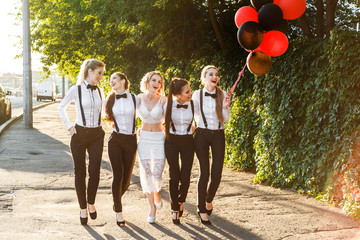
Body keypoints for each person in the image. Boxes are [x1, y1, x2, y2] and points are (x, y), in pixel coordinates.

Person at [58, 59, 106, 225]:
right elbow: (61, 107)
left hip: (97, 134)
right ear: (90, 71)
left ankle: (91, 201)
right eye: (99, 73)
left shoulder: (100, 91)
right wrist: (69, 127)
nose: (101, 76)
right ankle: (82, 207)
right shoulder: (76, 89)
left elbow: (107, 110)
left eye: (102, 73)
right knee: (80, 173)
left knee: (95, 171)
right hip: (79, 133)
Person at [192, 65, 231, 225]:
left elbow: (226, 119)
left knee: (217, 175)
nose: (214, 77)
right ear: (204, 78)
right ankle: (201, 209)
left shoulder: (222, 94)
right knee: (204, 173)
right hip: (201, 134)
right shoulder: (197, 94)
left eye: (216, 74)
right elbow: (192, 114)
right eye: (210, 74)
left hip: (218, 135)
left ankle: (209, 199)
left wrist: (227, 106)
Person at [105, 72, 137, 227]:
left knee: (127, 180)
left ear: (123, 81)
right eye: (110, 79)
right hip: (115, 140)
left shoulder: (134, 98)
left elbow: (148, 110)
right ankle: (119, 210)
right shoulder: (109, 99)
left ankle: (115, 199)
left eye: (114, 79)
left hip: (131, 141)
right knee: (118, 175)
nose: (112, 81)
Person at [137, 71, 167, 223]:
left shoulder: (163, 100)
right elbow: (127, 113)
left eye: (159, 82)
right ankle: (152, 208)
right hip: (144, 139)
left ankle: (156, 193)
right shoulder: (138, 98)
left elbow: (171, 118)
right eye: (154, 80)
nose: (157, 83)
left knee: (157, 173)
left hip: (158, 139)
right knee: (147, 173)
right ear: (147, 82)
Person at [164, 78, 195, 225]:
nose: (190, 93)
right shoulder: (167, 105)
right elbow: (155, 118)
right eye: (187, 92)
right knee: (174, 174)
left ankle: (181, 199)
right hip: (172, 141)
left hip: (188, 141)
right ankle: (175, 207)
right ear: (178, 95)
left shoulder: (194, 104)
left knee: (186, 175)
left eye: (190, 90)